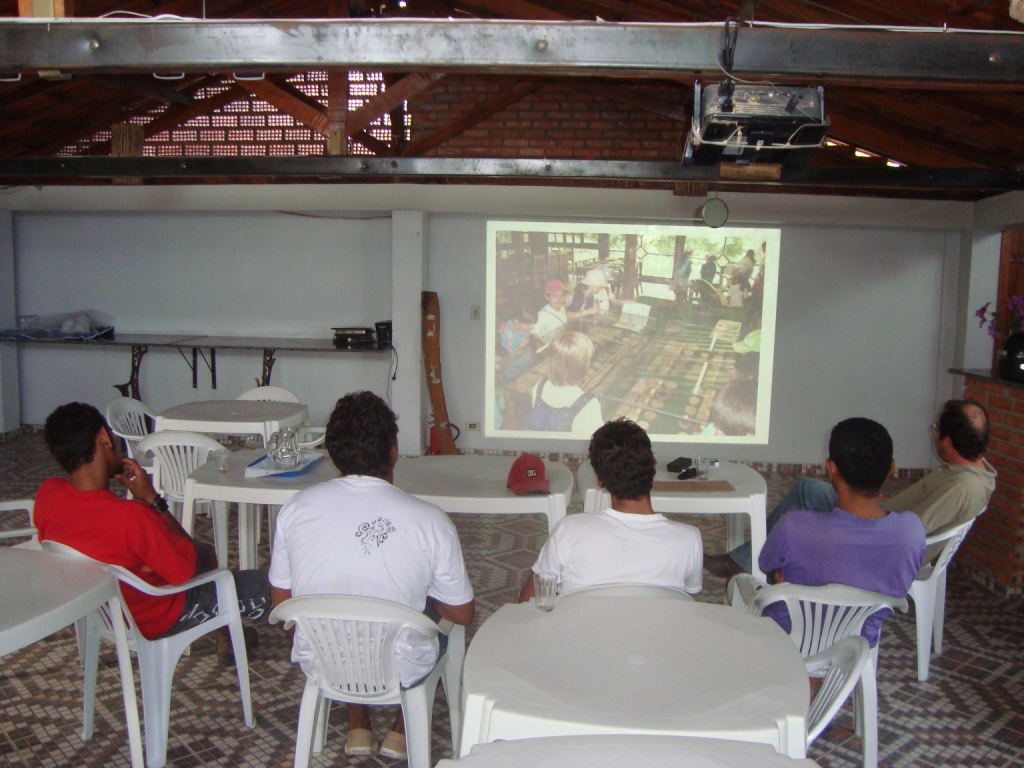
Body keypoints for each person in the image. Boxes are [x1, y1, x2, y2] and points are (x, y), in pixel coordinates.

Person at [269, 391, 474, 760]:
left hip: (321, 660)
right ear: (393, 449)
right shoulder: (430, 520)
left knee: (344, 609)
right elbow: (462, 613)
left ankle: (358, 723)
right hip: (402, 667)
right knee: (430, 612)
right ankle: (402, 730)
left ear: (333, 451)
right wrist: (420, 590)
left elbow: (282, 605)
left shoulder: (295, 509)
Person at [33, 402, 268, 662]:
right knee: (277, 587)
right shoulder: (130, 517)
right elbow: (186, 569)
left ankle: (228, 638)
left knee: (207, 554)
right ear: (104, 437)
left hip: (107, 611)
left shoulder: (48, 495)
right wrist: (152, 499)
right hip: (159, 614)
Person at [707, 399, 996, 577]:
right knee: (808, 489)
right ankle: (744, 560)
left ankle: (745, 564)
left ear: (948, 442)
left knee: (797, 522)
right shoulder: (970, 472)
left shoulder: (962, 486)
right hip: (878, 515)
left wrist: (864, 512)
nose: (934, 435)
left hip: (874, 535)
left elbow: (912, 532)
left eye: (936, 430)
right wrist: (877, 499)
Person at [749, 417, 925, 647]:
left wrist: (785, 581)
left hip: (785, 643)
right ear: (891, 468)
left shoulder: (793, 527)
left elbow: (765, 564)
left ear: (831, 467)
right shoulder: (911, 532)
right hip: (854, 648)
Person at [519, 419, 703, 600]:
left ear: (599, 479)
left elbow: (528, 600)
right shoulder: (689, 540)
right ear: (653, 464)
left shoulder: (568, 531)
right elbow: (683, 605)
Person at [530, 331, 604, 435]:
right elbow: (595, 439)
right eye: (588, 360)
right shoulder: (589, 405)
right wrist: (590, 399)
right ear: (583, 366)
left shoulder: (539, 386)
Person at [532, 278, 597, 345]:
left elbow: (563, 325)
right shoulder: (542, 315)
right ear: (547, 297)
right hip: (551, 347)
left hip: (561, 343)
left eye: (562, 295)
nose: (560, 299)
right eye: (555, 296)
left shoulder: (562, 308)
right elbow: (533, 334)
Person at [497, 301, 538, 381]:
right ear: (516, 321)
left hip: (527, 368)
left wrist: (533, 340)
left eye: (533, 324)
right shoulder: (504, 335)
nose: (532, 327)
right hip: (513, 375)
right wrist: (519, 350)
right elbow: (499, 360)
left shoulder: (524, 329)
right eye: (528, 324)